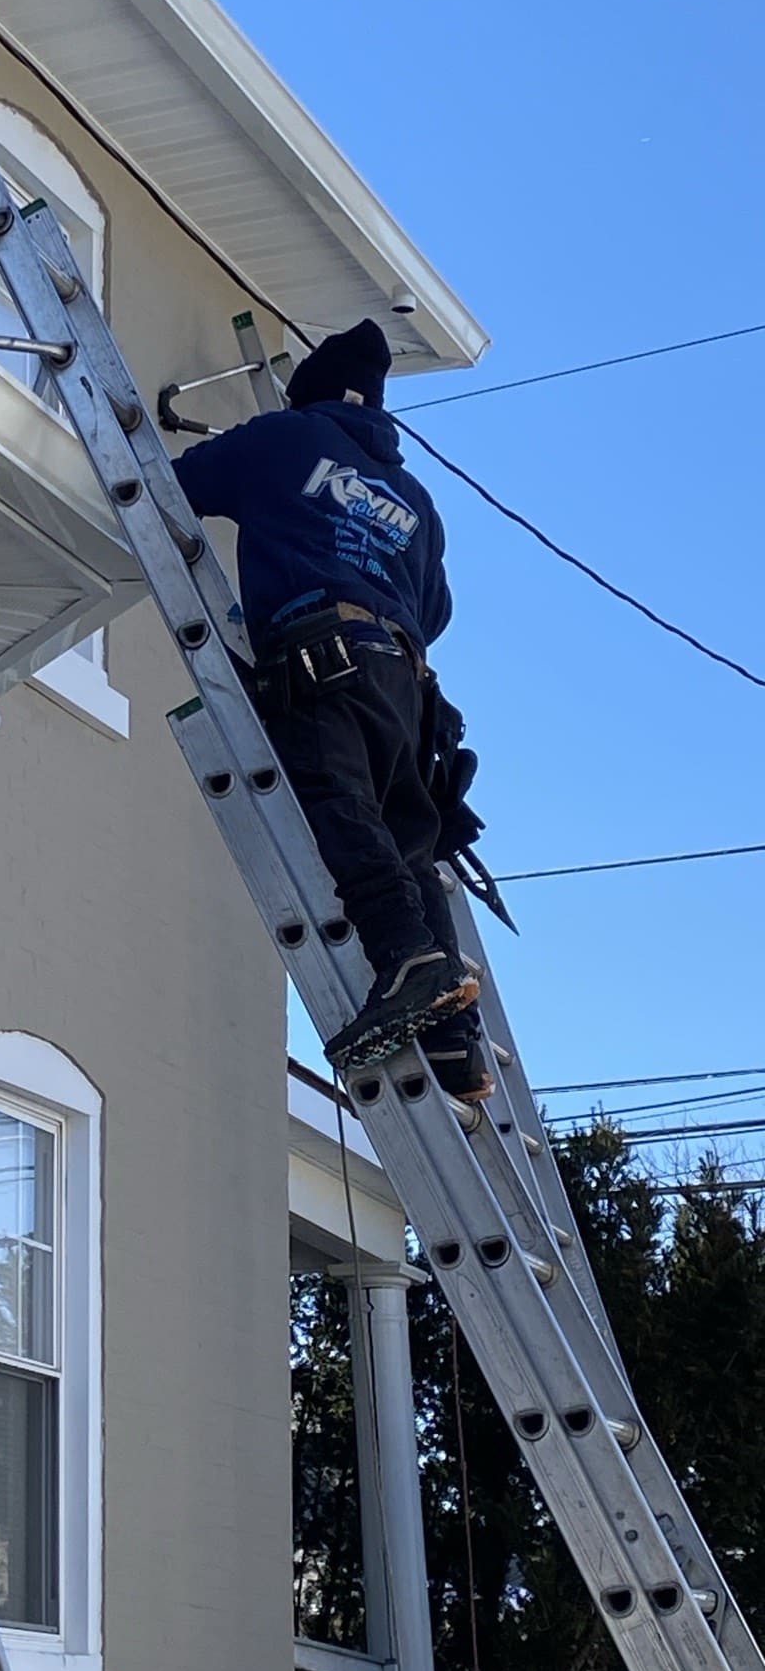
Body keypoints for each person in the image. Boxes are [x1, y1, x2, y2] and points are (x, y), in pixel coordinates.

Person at [173, 319, 491, 1097]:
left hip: (324, 660)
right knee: (408, 843)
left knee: (337, 805)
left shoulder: (283, 440)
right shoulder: (415, 501)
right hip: (404, 685)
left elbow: (174, 484)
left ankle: (408, 961)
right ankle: (456, 1045)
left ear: (307, 395)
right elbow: (436, 609)